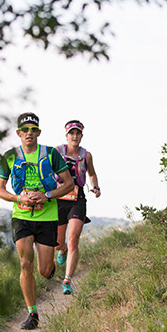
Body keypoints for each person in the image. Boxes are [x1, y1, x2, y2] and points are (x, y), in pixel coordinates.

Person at [0, 112, 75, 330]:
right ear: (18, 133)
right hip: (21, 216)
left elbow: (69, 184)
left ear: (38, 132)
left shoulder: (50, 154)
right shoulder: (10, 156)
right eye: (25, 130)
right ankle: (32, 314)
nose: (29, 133)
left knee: (44, 270)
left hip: (47, 216)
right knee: (25, 264)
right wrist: (18, 197)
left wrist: (47, 195)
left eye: (33, 129)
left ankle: (52, 265)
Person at [54, 120, 100, 295]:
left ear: (81, 135)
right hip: (59, 198)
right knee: (58, 243)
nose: (74, 136)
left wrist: (95, 186)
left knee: (74, 240)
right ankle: (62, 248)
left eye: (77, 133)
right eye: (71, 133)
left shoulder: (86, 155)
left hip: (77, 199)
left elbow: (92, 173)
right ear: (66, 135)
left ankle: (67, 280)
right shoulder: (56, 152)